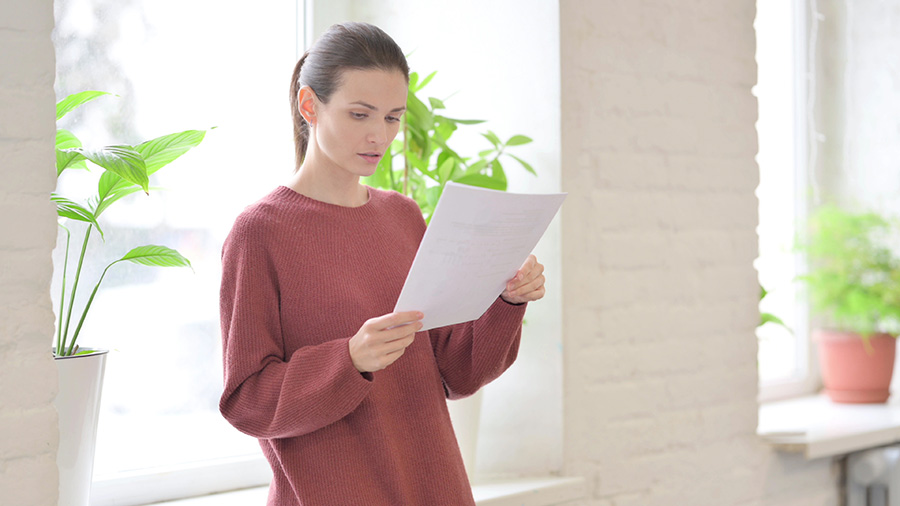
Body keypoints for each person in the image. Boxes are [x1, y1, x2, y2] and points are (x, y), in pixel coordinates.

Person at [219, 21, 546, 505]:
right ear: (309, 105)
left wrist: (506, 301)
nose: (380, 135)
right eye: (360, 114)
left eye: (393, 118)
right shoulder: (260, 232)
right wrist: (348, 359)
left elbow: (456, 374)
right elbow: (246, 400)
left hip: (434, 488)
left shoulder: (404, 216)